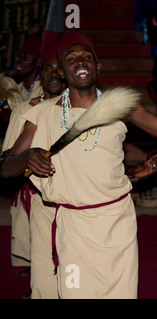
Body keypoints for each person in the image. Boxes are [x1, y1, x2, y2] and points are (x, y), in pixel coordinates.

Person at [1, 31, 157, 299]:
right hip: (73, 227)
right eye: (71, 58)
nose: (80, 62)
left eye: (87, 56)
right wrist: (28, 155)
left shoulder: (121, 106)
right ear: (63, 72)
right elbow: (6, 167)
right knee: (74, 292)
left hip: (117, 223)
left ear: (97, 66)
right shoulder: (42, 114)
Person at [0, 35, 66, 299]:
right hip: (41, 200)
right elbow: (6, 159)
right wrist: (28, 157)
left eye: (59, 67)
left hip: (78, 203)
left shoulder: (81, 110)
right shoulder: (27, 110)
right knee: (44, 267)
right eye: (47, 68)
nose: (54, 73)